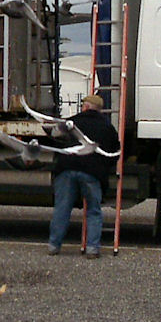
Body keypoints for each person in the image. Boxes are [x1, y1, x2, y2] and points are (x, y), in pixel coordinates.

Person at [47, 94, 121, 258]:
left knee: (62, 208)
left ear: (86, 107)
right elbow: (114, 152)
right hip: (92, 172)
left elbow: (55, 139)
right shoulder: (107, 127)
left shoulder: (71, 122)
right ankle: (92, 249)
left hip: (66, 168)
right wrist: (105, 168)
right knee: (94, 210)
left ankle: (54, 245)